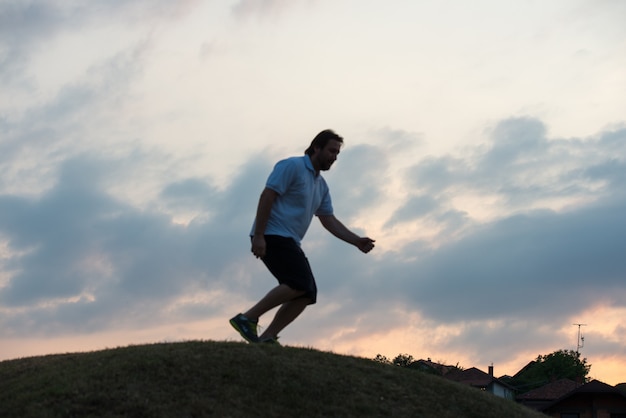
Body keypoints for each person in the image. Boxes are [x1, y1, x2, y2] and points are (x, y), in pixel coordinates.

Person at [229, 129, 376, 344]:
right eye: (331, 151)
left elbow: (328, 219)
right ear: (316, 147)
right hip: (272, 233)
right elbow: (267, 195)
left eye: (337, 154)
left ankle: (268, 337)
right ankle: (247, 318)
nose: (334, 157)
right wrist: (259, 235)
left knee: (307, 293)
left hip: (290, 240)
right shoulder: (292, 166)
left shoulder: (321, 185)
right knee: (298, 282)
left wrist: (356, 241)